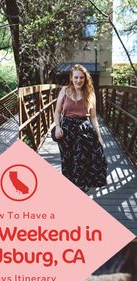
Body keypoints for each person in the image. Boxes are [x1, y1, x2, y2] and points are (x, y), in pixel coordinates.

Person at [53, 64, 107, 193]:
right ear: (71, 78)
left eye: (81, 78)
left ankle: (80, 186)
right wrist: (57, 127)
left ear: (85, 78)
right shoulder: (64, 90)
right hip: (66, 129)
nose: (79, 80)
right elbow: (57, 111)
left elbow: (93, 117)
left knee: (82, 158)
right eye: (76, 77)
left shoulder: (90, 93)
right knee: (68, 159)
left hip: (83, 128)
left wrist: (99, 136)